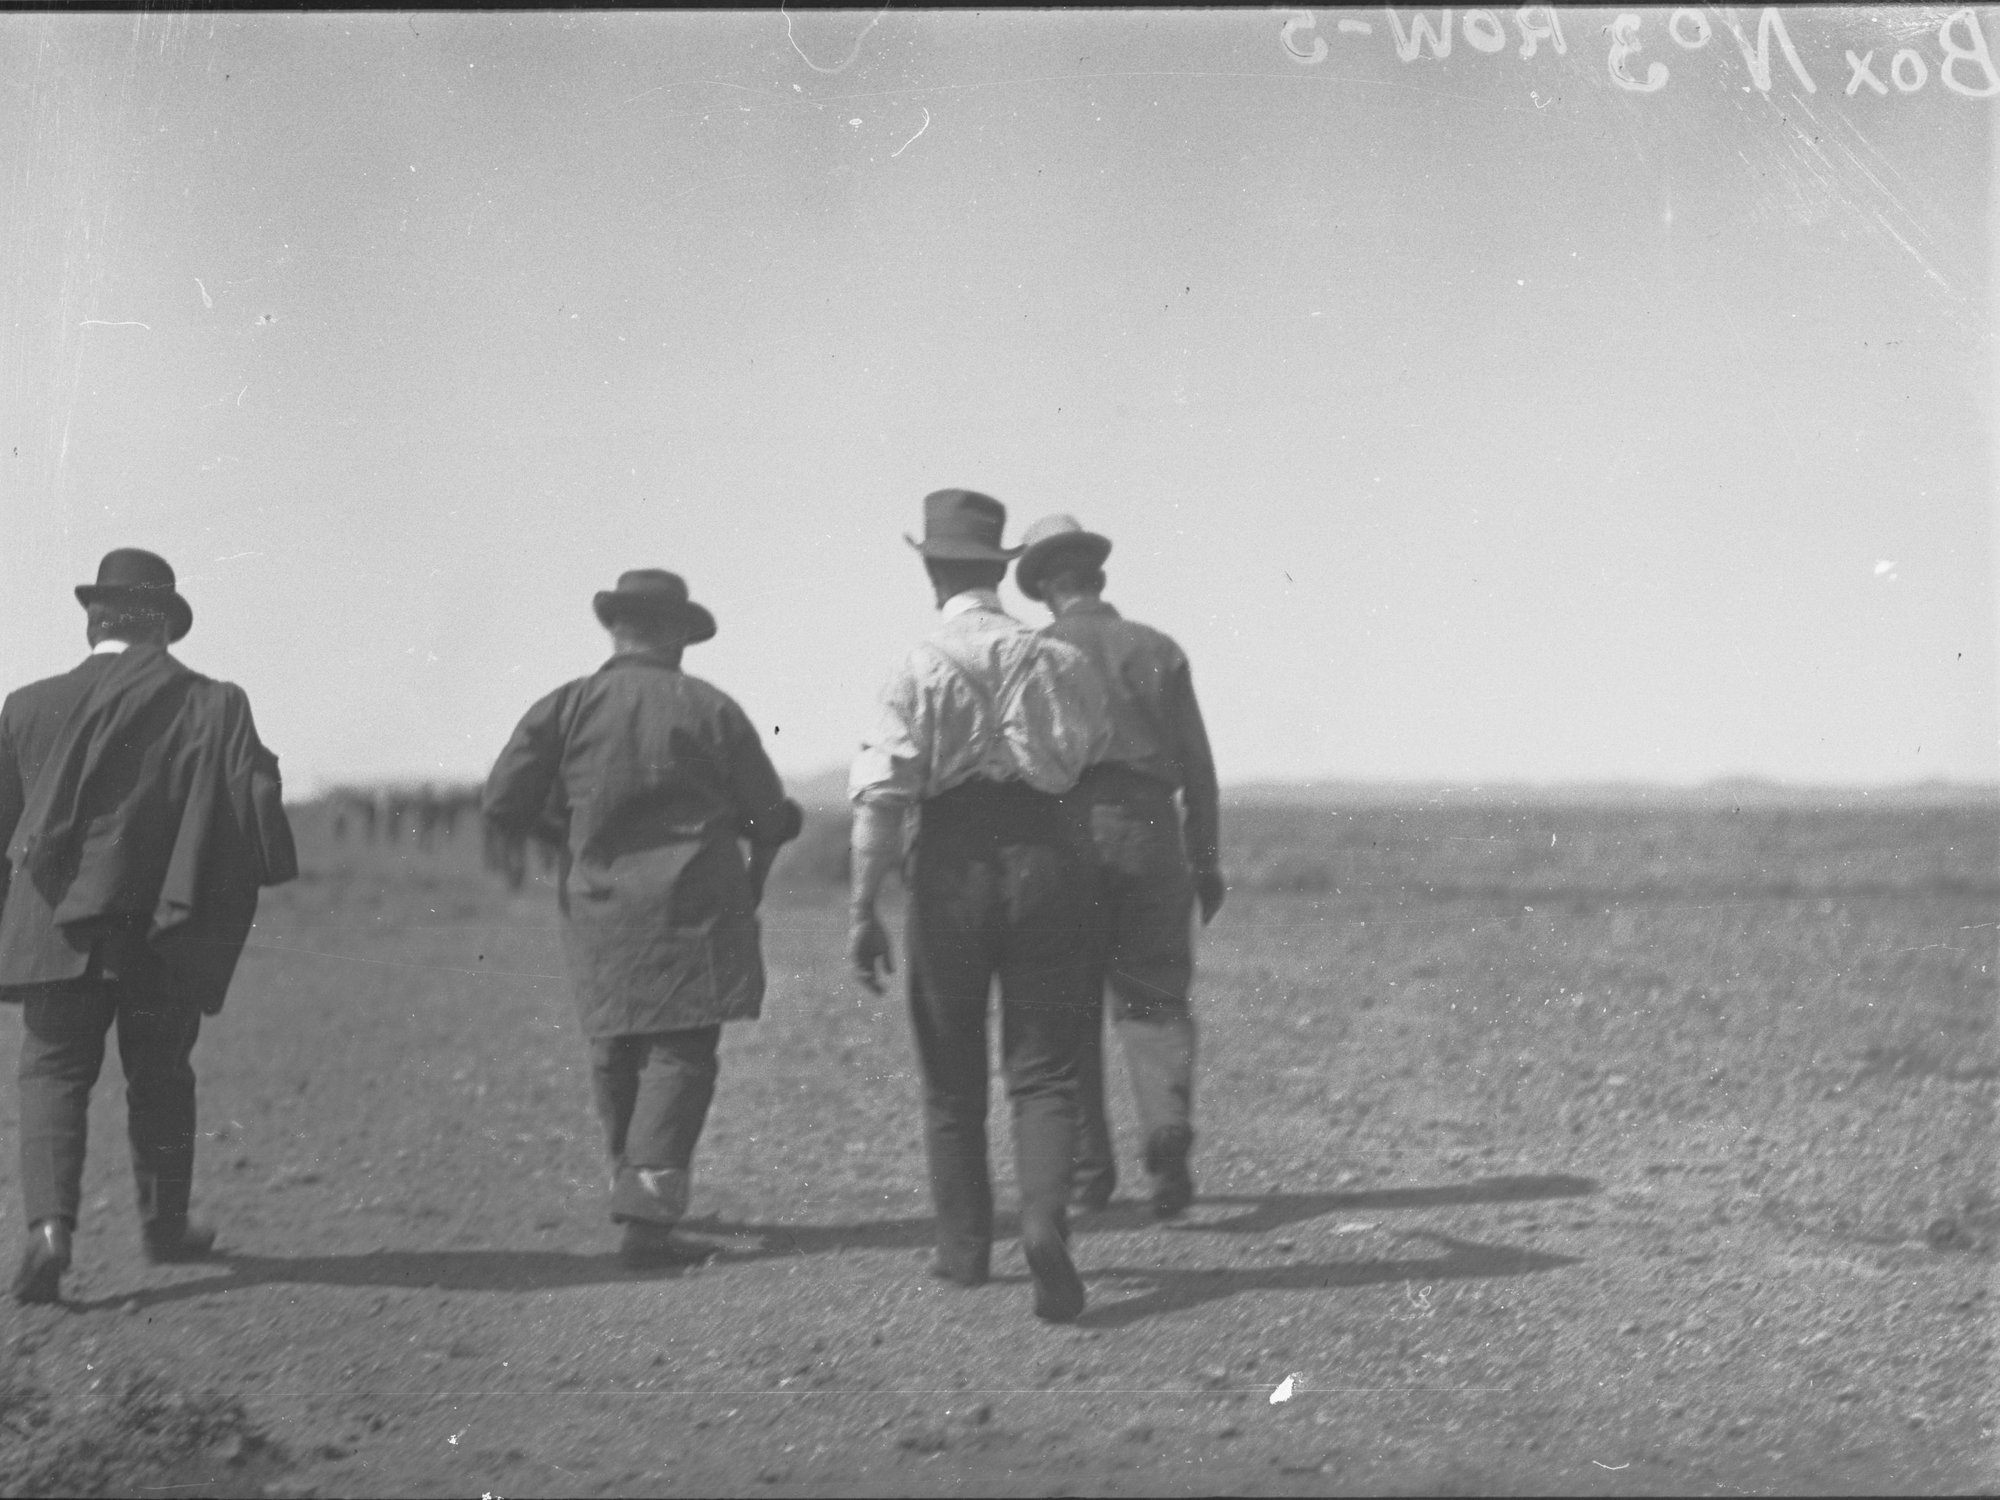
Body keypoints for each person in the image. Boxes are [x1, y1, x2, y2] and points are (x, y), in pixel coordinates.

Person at [0, 548, 297, 1304]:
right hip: (164, 925)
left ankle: (48, 1229)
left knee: (53, 1073)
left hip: (57, 929)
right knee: (161, 1073)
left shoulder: (25, 707)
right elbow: (254, 820)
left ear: (94, 621)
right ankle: (166, 1226)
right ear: (161, 626)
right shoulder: (213, 703)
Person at [483, 569, 801, 1269]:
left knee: (617, 1042)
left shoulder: (564, 708)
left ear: (616, 629)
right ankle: (648, 1216)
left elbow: (503, 804)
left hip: (600, 909)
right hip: (697, 907)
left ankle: (636, 1185)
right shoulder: (711, 708)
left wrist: (575, 839)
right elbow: (769, 815)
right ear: (677, 634)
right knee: (681, 1050)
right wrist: (756, 871)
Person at [848, 490, 1110, 1323]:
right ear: (999, 571)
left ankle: (964, 1252)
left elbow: (881, 799)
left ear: (931, 569)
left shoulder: (915, 665)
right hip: (1048, 862)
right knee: (1044, 1069)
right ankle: (1042, 1220)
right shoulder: (1062, 660)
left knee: (951, 1071)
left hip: (950, 867)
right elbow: (1090, 753)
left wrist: (862, 908)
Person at [1016, 515, 1224, 1221]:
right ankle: (1166, 1129)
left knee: (1065, 1007)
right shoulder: (1157, 649)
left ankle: (1086, 1175)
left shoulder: (1030, 651)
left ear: (1045, 589)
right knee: (1156, 995)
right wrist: (1206, 861)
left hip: (1060, 838)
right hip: (1151, 835)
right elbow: (1198, 768)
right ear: (1099, 579)